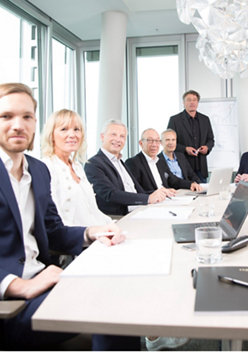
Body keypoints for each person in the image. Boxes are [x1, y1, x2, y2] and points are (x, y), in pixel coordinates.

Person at [0, 82, 139, 350]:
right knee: (113, 305)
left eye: (26, 116)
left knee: (122, 288)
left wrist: (91, 232)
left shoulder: (38, 171)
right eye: (6, 116)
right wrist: (14, 284)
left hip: (46, 281)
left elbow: (53, 231)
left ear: (35, 122)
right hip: (12, 304)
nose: (18, 125)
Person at [41, 109, 111, 226]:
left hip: (94, 235)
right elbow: (54, 219)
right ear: (51, 135)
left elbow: (92, 210)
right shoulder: (46, 167)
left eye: (76, 129)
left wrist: (112, 226)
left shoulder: (77, 167)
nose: (72, 135)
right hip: (74, 240)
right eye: (64, 129)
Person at [84, 120, 166, 216]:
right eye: (113, 134)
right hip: (118, 217)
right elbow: (110, 194)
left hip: (139, 210)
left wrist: (156, 193)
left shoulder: (120, 162)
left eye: (122, 136)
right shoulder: (93, 164)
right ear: (102, 137)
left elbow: (135, 190)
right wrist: (147, 199)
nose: (118, 139)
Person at [125, 128, 200, 193]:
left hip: (166, 199)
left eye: (157, 141)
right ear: (141, 143)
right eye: (150, 140)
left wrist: (190, 184)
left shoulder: (159, 161)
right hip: (150, 204)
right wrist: (158, 193)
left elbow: (173, 180)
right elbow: (135, 190)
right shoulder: (133, 163)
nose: (154, 144)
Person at [167, 90, 215, 183]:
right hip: (183, 167)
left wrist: (207, 147)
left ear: (197, 102)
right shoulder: (175, 120)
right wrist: (185, 149)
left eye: (194, 100)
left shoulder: (205, 119)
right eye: (188, 100)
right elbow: (169, 143)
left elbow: (211, 140)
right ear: (183, 102)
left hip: (201, 168)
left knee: (203, 195)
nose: (192, 102)